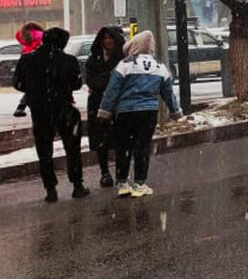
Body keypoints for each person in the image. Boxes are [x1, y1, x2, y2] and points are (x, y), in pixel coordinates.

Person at [99, 31, 179, 198]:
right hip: (149, 113)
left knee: (123, 147)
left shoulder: (124, 65)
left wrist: (105, 111)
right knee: (142, 147)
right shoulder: (160, 66)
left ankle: (122, 183)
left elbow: (112, 90)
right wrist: (175, 111)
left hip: (125, 112)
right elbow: (168, 93)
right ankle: (140, 183)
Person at [13, 27, 88, 202]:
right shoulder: (69, 60)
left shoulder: (27, 60)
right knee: (72, 148)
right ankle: (77, 185)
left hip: (40, 110)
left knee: (44, 150)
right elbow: (77, 84)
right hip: (64, 108)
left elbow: (17, 83)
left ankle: (50, 188)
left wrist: (35, 90)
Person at [85, 26, 126, 188]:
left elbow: (122, 82)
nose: (107, 41)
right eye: (105, 38)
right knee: (100, 139)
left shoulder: (122, 59)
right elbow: (92, 81)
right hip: (97, 104)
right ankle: (104, 173)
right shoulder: (93, 59)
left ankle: (120, 173)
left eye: (111, 38)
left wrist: (107, 82)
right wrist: (110, 79)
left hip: (117, 104)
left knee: (119, 139)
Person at [12, 21, 44, 118]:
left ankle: (21, 107)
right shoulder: (39, 34)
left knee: (31, 86)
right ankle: (22, 106)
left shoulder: (23, 35)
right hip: (38, 60)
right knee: (38, 86)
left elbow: (19, 36)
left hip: (26, 58)